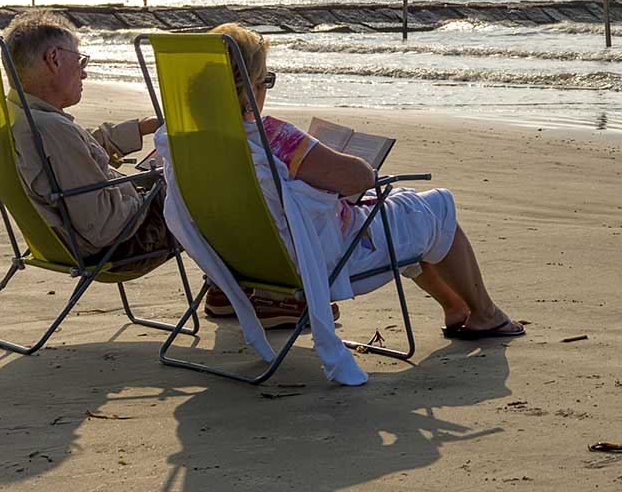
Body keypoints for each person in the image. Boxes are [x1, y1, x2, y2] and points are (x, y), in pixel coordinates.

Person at [199, 22, 524, 340]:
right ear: (251, 87)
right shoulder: (273, 138)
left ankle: (455, 306)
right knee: (434, 208)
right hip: (318, 261)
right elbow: (360, 178)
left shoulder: (187, 141)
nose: (266, 89)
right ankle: (485, 314)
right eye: (266, 80)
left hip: (242, 264)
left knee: (404, 214)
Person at [1, 11, 264, 320]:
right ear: (55, 59)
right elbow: (102, 228)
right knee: (217, 182)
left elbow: (75, 156)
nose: (84, 73)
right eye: (81, 62)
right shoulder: (54, 131)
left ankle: (226, 288)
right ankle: (251, 292)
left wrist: (141, 128)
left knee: (189, 172)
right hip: (121, 247)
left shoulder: (20, 116)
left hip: (63, 242)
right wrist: (157, 187)